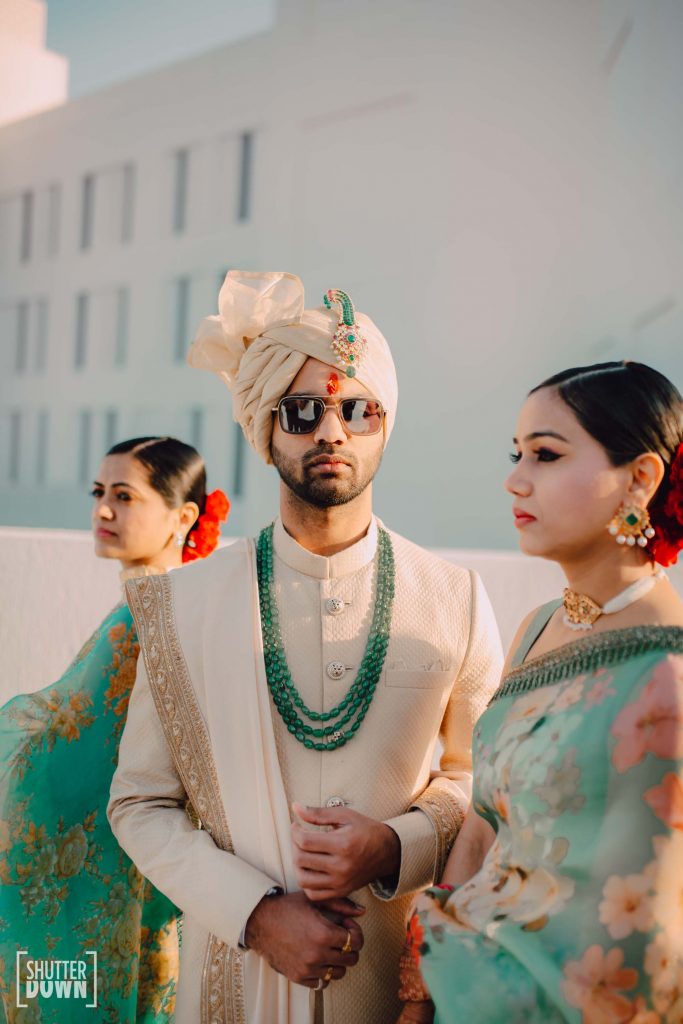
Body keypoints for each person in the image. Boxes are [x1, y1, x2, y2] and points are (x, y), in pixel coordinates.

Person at [107, 270, 504, 1024]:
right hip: (230, 977)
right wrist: (255, 914)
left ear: (385, 426)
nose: (332, 431)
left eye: (358, 410)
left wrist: (394, 844)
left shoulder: (452, 596)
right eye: (302, 410)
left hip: (392, 990)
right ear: (265, 429)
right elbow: (140, 802)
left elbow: (478, 781)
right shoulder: (180, 604)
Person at [398, 361, 683, 1024]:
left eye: (546, 455)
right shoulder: (537, 628)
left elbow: (636, 938)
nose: (514, 479)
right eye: (516, 454)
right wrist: (421, 979)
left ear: (639, 479)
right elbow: (483, 821)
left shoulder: (663, 679)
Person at [0, 436, 229, 1023]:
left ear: (183, 517)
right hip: (144, 862)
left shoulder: (149, 611)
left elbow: (68, 749)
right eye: (99, 492)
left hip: (118, 859)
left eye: (124, 496)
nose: (102, 510)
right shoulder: (167, 602)